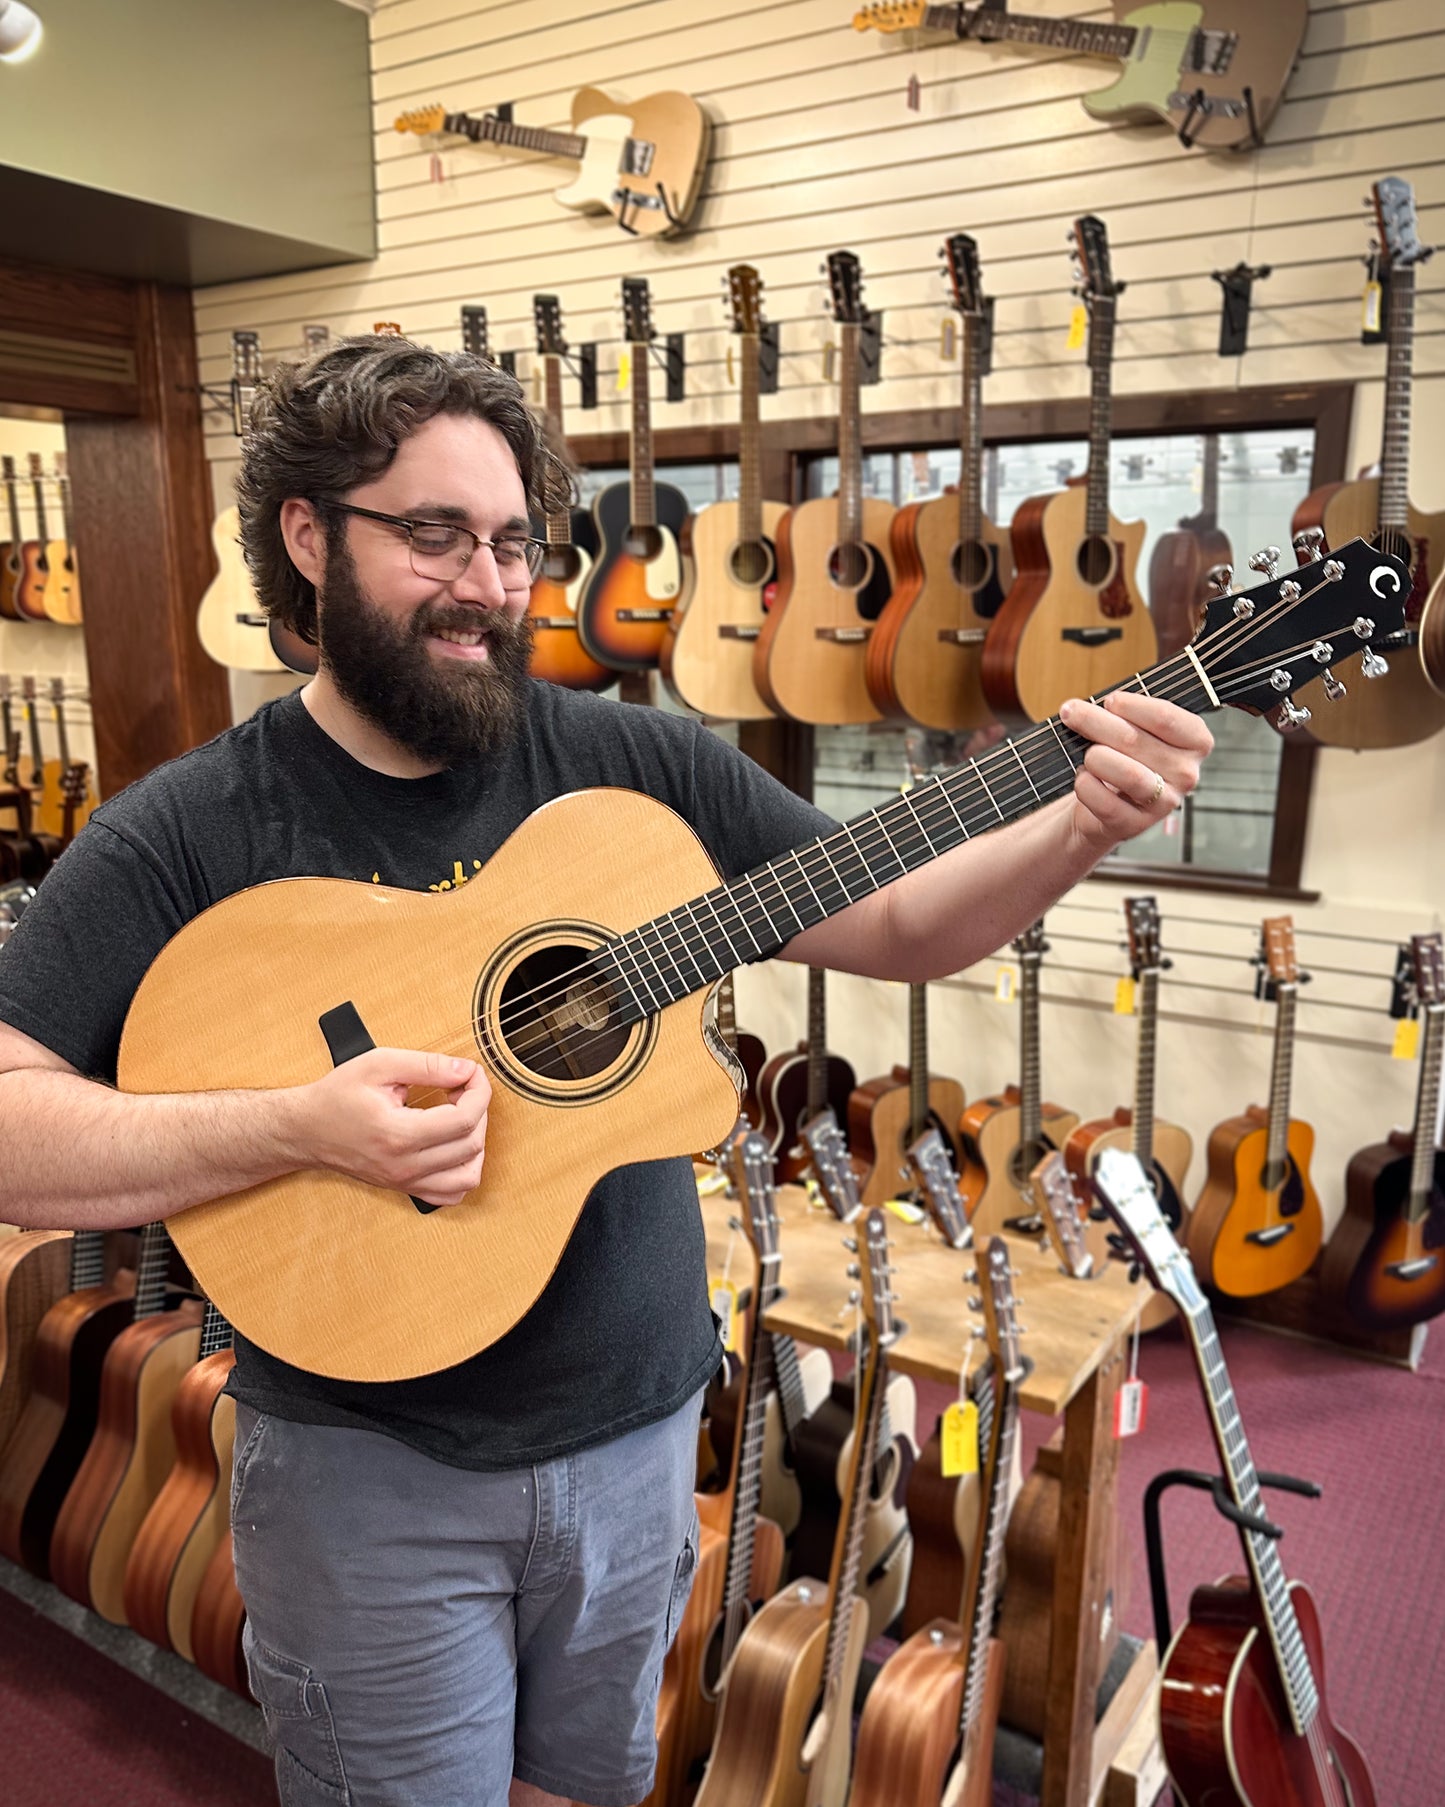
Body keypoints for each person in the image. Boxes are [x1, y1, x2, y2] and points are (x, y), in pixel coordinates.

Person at [0, 335, 1212, 1807]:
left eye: (514, 543)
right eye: (435, 534)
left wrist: (1077, 828)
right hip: (368, 1478)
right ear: (309, 539)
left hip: (642, 1441)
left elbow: (898, 925)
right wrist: (296, 1127)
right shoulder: (191, 827)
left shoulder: (633, 767)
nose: (490, 584)